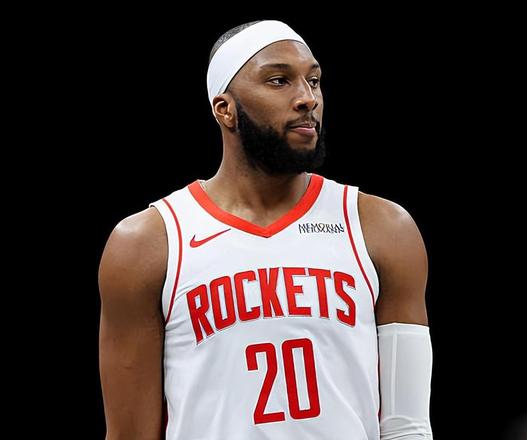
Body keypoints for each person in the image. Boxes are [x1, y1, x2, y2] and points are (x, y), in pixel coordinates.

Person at [98, 19, 433, 439]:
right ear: (225, 109)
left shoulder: (381, 227)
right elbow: (129, 434)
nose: (307, 98)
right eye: (279, 81)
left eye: (314, 81)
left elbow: (407, 427)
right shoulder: (148, 243)